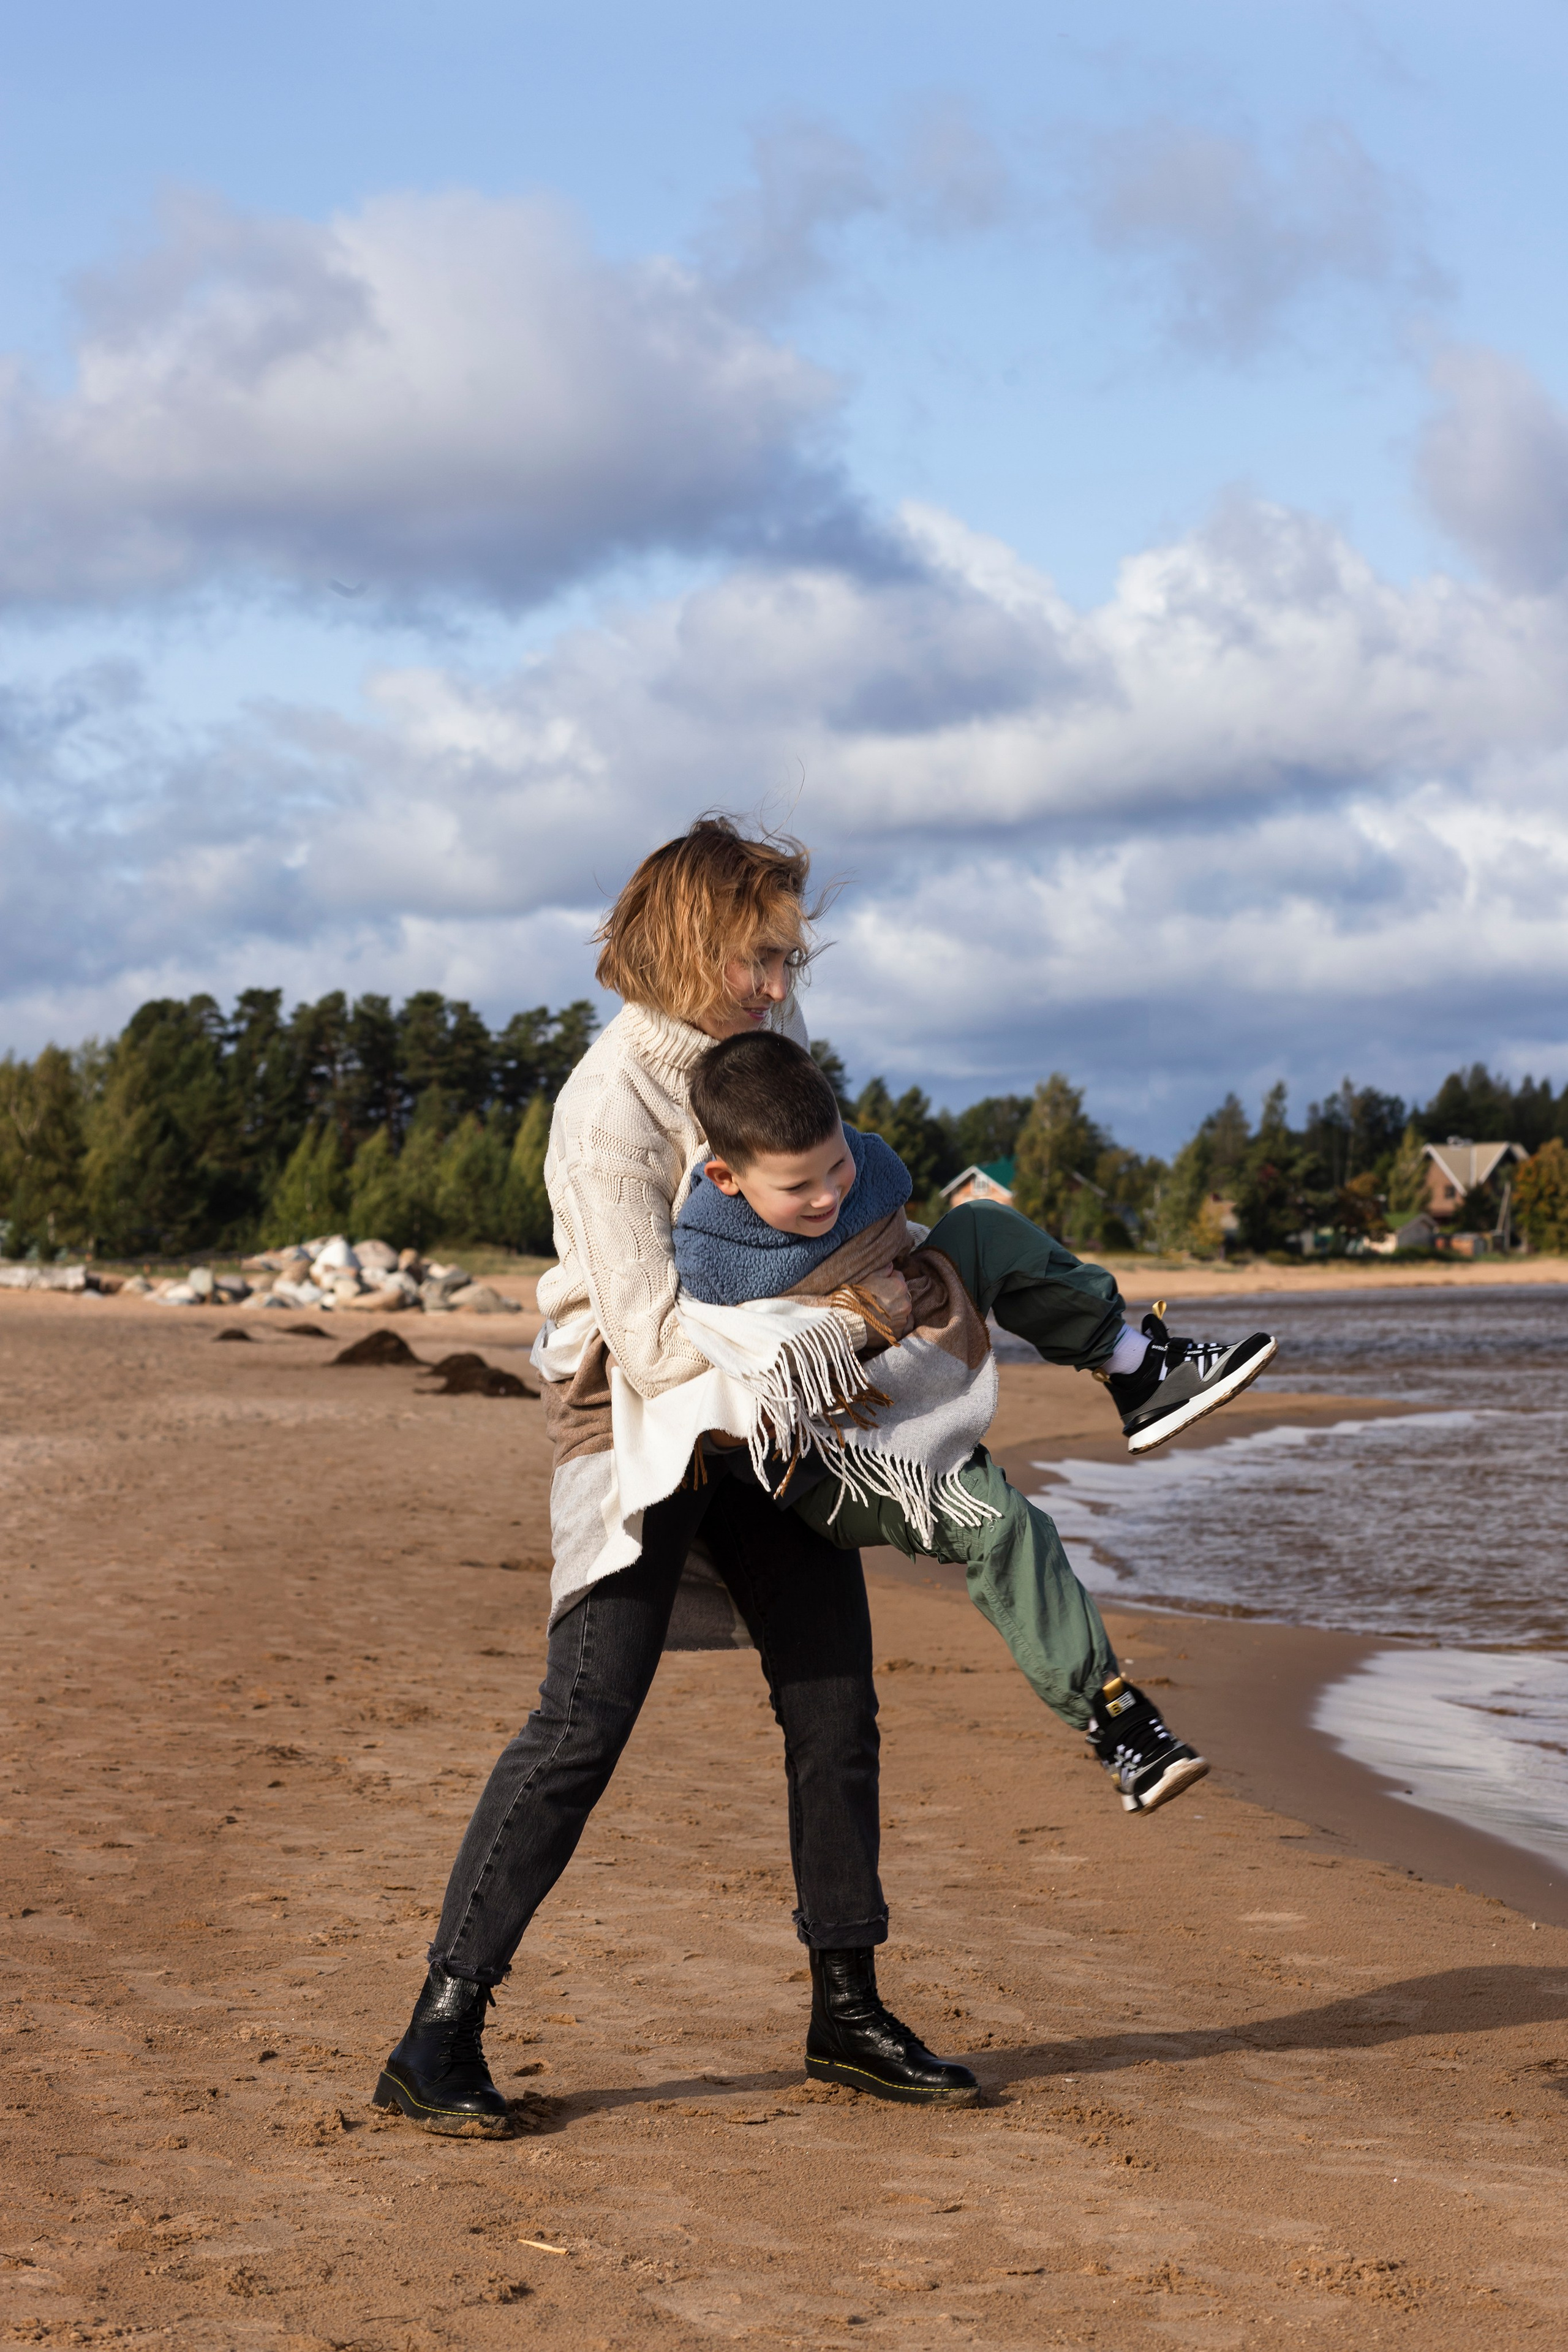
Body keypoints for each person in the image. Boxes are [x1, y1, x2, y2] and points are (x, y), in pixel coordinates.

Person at [375, 818, 978, 2138]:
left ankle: (846, 2012)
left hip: (769, 1426)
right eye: (759, 958)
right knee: (579, 1728)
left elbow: (819, 1232)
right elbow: (648, 1345)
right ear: (691, 941)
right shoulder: (607, 1107)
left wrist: (927, 1269)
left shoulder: (766, 1073)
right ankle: (437, 2034)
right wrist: (851, 1322)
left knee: (835, 1713)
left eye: (788, 962)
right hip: (636, 1432)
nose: (777, 985)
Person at [674, 1028, 1224, 1811]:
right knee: (1002, 1527)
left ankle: (1136, 1369)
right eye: (798, 1188)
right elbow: (744, 1374)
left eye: (837, 1166)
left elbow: (905, 1243)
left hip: (909, 1362)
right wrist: (853, 1320)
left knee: (984, 1229)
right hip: (839, 1455)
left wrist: (916, 1293)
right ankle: (1117, 1724)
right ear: (726, 1177)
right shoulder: (711, 1259)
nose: (828, 1197)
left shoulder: (864, 1173)